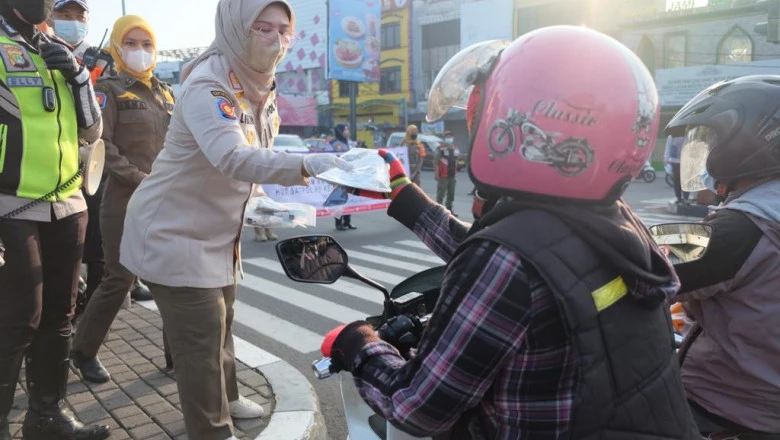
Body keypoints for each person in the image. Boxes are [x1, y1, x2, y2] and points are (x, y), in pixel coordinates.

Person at [322, 27, 699, 439]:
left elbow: (417, 409)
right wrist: (406, 200)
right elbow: (536, 263)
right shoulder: (617, 223)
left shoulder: (507, 261)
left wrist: (356, 343)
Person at [118, 1, 350, 439]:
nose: (275, 40)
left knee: (222, 325)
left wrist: (271, 205)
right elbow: (232, 156)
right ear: (235, 26)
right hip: (174, 233)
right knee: (201, 347)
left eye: (284, 31)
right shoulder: (208, 85)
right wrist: (319, 164)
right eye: (262, 28)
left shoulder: (261, 87)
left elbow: (251, 168)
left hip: (219, 234)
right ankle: (212, 430)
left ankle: (230, 397)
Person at [0, 0, 110, 439]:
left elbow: (91, 131)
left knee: (60, 316)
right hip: (11, 205)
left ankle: (47, 415)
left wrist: (79, 78)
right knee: (18, 316)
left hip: (67, 205)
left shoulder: (56, 48)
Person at [665, 75, 780, 436]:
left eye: (711, 141)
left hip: (729, 410)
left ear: (745, 143)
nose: (705, 152)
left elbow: (650, 257)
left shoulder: (742, 226)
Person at [70, 14, 172, 383]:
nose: (140, 52)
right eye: (131, 44)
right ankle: (82, 352)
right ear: (117, 47)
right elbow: (101, 146)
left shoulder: (165, 92)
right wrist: (140, 178)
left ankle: (177, 355)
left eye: (147, 45)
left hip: (166, 202)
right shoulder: (109, 90)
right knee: (119, 279)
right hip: (125, 201)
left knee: (172, 278)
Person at [331, 123, 357, 230]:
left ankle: (347, 222)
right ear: (340, 131)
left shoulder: (349, 143)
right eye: (346, 129)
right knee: (339, 199)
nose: (348, 131)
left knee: (348, 199)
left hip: (348, 175)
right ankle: (338, 223)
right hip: (338, 175)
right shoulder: (334, 143)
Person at [434, 130, 458, 215]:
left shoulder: (455, 148)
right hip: (443, 174)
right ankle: (439, 211)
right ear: (444, 138)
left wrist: (456, 172)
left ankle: (449, 209)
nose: (449, 138)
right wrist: (436, 174)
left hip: (452, 174)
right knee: (441, 193)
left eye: (451, 137)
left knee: (451, 193)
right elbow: (436, 162)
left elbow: (456, 160)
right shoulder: (440, 149)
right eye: (447, 137)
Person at [664, 134, 689, 204]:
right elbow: (668, 147)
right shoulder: (671, 136)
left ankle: (685, 198)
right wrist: (666, 158)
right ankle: (679, 197)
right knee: (677, 181)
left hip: (685, 161)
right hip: (674, 161)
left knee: (685, 180)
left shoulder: (688, 135)